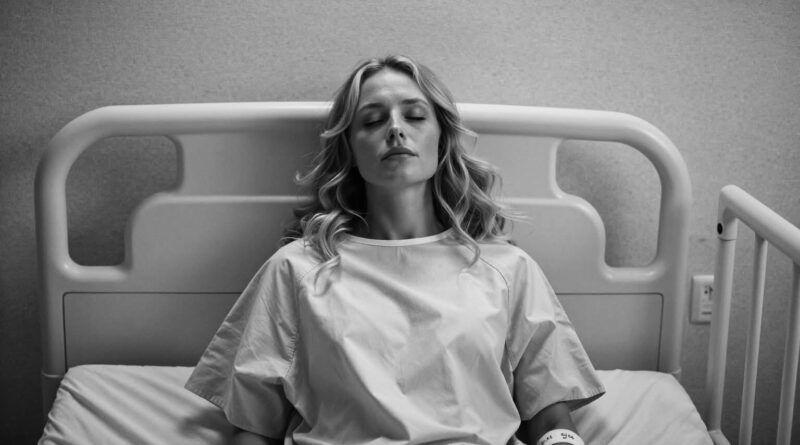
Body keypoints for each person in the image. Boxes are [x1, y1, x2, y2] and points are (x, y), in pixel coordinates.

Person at [185, 55, 604, 445]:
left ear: (442, 140)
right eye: (372, 120)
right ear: (350, 149)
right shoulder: (298, 270)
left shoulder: (506, 270)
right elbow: (254, 428)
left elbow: (550, 416)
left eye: (415, 116)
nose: (395, 129)